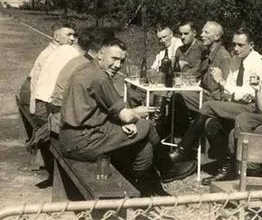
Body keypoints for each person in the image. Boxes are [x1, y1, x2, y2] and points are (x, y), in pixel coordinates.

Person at [59, 38, 196, 196]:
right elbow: (126, 115)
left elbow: (101, 110)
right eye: (114, 59)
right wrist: (138, 113)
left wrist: (121, 124)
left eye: (122, 61)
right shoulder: (99, 77)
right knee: (147, 126)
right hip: (84, 140)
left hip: (72, 137)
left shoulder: (84, 68)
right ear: (100, 54)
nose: (117, 65)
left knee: (144, 148)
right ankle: (167, 170)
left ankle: (142, 189)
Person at [170, 27, 262, 186]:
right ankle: (225, 169)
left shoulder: (257, 63)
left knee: (208, 106)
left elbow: (248, 94)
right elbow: (230, 91)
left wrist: (221, 82)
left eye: (240, 45)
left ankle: (182, 150)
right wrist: (226, 88)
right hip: (235, 105)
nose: (235, 48)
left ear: (251, 45)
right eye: (234, 44)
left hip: (253, 109)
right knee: (211, 124)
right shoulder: (236, 60)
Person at [49, 27, 115, 134]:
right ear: (103, 48)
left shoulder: (79, 60)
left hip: (58, 112)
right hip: (65, 120)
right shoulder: (89, 68)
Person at [19, 21, 76, 116]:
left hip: (32, 91)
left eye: (73, 35)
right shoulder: (51, 55)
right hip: (31, 93)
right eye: (68, 35)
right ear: (57, 37)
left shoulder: (58, 52)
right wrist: (34, 109)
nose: (72, 39)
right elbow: (35, 83)